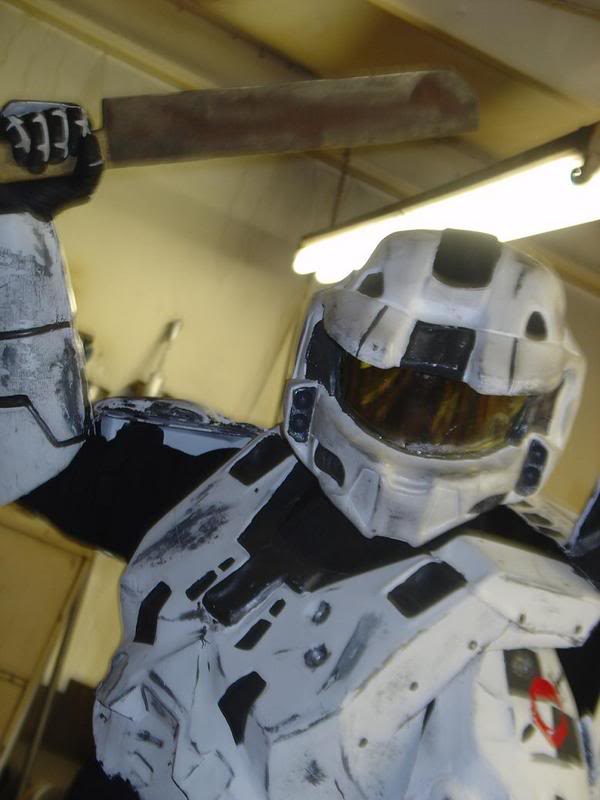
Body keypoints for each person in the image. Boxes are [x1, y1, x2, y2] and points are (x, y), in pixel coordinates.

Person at [1, 101, 599, 800]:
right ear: (328, 360)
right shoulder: (228, 481)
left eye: (462, 409)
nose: (417, 425)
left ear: (535, 415)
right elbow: (32, 454)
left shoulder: (524, 613)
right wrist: (16, 227)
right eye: (387, 386)